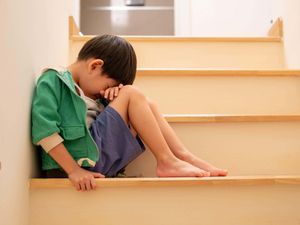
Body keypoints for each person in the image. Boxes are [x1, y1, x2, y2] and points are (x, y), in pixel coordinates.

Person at [31, 35, 228, 192]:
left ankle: (183, 157)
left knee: (147, 103)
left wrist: (110, 102)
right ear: (94, 66)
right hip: (72, 166)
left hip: (95, 159)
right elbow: (44, 130)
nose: (102, 91)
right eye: (108, 85)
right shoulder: (53, 80)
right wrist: (73, 171)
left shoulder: (92, 92)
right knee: (132, 93)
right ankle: (167, 161)